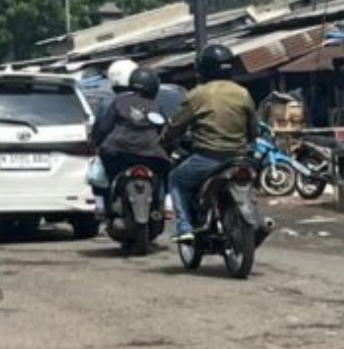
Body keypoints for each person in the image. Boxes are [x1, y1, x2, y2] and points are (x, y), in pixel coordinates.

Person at [164, 44, 255, 242]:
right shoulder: (243, 93)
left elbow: (176, 126)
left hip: (208, 158)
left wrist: (164, 140)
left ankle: (184, 226)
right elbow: (252, 128)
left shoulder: (198, 94)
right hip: (239, 158)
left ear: (204, 68)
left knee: (176, 180)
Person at [92, 66, 173, 201]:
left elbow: (103, 127)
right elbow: (166, 132)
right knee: (167, 174)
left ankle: (104, 203)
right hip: (152, 154)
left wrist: (96, 143)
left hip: (117, 152)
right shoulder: (156, 106)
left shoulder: (118, 101)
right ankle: (165, 203)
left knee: (105, 179)